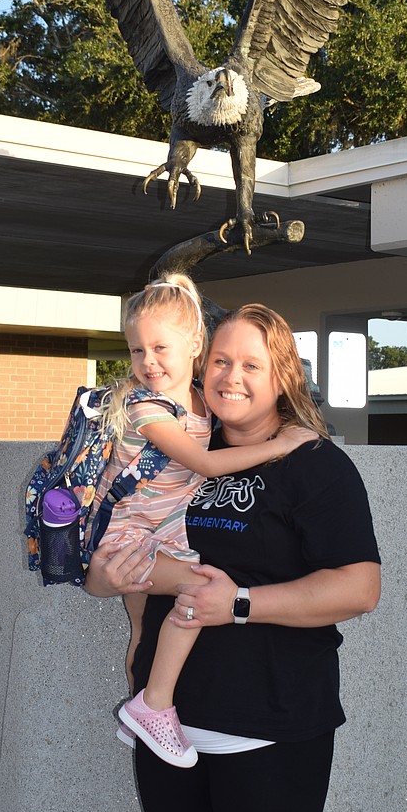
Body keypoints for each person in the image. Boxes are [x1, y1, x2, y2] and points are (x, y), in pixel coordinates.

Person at [85, 303, 381, 812]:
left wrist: (241, 603)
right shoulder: (175, 442)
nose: (231, 376)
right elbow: (109, 550)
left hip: (270, 727)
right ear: (200, 361)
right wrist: (108, 577)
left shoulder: (314, 464)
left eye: (252, 363)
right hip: (167, 729)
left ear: (283, 375)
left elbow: (359, 586)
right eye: (221, 360)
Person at [95, 275, 316, 768]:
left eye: (159, 347)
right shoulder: (146, 407)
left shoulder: (201, 398)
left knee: (145, 633)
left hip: (163, 531)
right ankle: (152, 707)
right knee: (197, 591)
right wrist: (281, 445)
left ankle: (146, 711)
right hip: (129, 535)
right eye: (136, 351)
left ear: (195, 343)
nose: (147, 362)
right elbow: (207, 465)